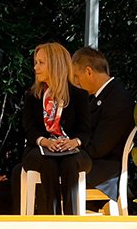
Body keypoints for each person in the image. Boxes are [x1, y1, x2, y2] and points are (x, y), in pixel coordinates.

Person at [21, 42, 91, 215]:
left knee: (70, 162)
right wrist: (44, 142)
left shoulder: (79, 96)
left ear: (55, 64)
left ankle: (72, 220)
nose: (35, 67)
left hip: (70, 150)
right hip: (40, 149)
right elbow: (29, 130)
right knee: (48, 163)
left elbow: (86, 131)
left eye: (41, 62)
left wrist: (74, 142)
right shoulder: (32, 96)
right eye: (36, 62)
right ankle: (50, 220)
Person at [71, 46, 136, 205]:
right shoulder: (104, 96)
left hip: (102, 171)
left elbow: (97, 148)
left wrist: (70, 147)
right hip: (90, 163)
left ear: (89, 71)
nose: (75, 82)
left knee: (45, 173)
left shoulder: (117, 100)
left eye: (76, 76)